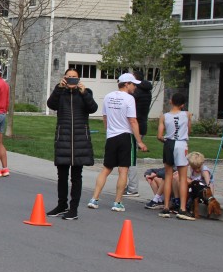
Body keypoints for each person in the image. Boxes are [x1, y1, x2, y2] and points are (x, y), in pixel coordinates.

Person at [87, 73, 148, 212]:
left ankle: (94, 198)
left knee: (106, 169)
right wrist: (139, 141)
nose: (135, 87)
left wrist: (109, 131)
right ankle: (117, 202)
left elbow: (105, 117)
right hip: (125, 136)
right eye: (133, 84)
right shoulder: (129, 99)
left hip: (111, 136)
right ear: (126, 84)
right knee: (123, 170)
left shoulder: (108, 96)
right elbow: (133, 121)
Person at [45, 67, 98, 220]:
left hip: (80, 139)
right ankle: (62, 205)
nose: (71, 79)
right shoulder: (61, 92)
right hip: (64, 138)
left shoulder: (85, 93)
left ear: (79, 79)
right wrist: (58, 88)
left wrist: (84, 92)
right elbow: (51, 105)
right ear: (64, 78)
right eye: (69, 76)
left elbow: (93, 108)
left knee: (76, 176)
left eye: (74, 77)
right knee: (62, 175)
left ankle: (73, 209)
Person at [156, 92, 191, 219]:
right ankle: (182, 208)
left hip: (169, 143)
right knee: (182, 177)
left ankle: (166, 207)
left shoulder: (164, 116)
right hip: (181, 143)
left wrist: (165, 140)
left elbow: (159, 136)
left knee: (168, 176)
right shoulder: (187, 114)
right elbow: (189, 130)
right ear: (183, 104)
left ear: (171, 101)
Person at [125, 72, 153, 197]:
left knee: (131, 159)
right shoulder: (147, 91)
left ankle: (132, 188)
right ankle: (130, 186)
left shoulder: (136, 93)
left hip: (135, 127)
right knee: (130, 157)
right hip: (142, 126)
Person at [174, 151, 212, 221]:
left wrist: (210, 197)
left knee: (182, 178)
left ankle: (184, 205)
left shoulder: (204, 171)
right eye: (194, 168)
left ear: (202, 164)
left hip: (200, 192)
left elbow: (209, 184)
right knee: (176, 176)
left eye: (198, 167)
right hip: (193, 189)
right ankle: (177, 201)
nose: (197, 170)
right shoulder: (192, 168)